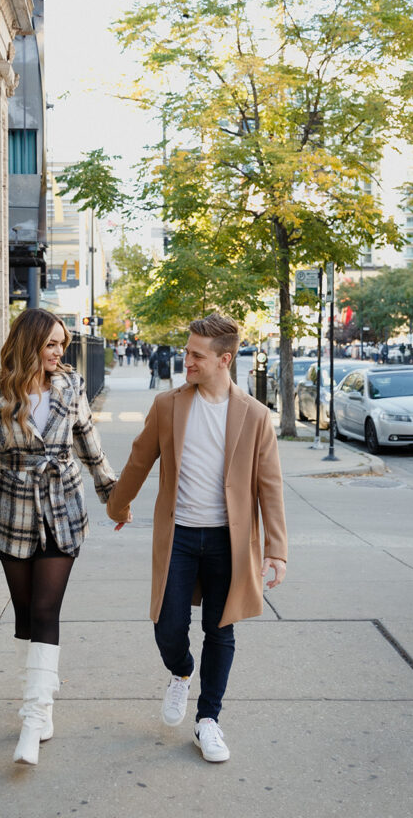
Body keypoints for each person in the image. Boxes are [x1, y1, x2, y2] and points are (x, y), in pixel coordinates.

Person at [0, 308, 117, 766]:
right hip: (11, 508)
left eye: (63, 345)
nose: (59, 353)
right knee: (23, 616)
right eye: (51, 344)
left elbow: (88, 441)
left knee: (44, 608)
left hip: (62, 507)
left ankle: (33, 718)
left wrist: (113, 494)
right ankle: (42, 698)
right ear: (29, 343)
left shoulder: (69, 386)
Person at [107, 314, 287, 764]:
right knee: (167, 627)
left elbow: (270, 486)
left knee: (219, 630)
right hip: (180, 537)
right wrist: (118, 504)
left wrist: (276, 551)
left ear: (224, 360)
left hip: (230, 541)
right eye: (187, 352)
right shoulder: (169, 405)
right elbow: (138, 460)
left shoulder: (256, 416)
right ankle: (181, 672)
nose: (185, 360)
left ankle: (209, 721)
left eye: (196, 355)